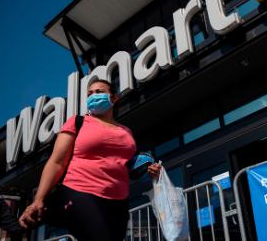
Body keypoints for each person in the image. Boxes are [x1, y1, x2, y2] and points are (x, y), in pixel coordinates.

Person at [18, 79, 162, 241]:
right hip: (81, 192)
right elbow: (57, 162)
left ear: (113, 98)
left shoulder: (126, 131)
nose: (94, 96)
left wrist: (149, 170)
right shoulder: (78, 122)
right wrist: (38, 200)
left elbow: (127, 166)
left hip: (118, 201)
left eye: (99, 92)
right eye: (90, 94)